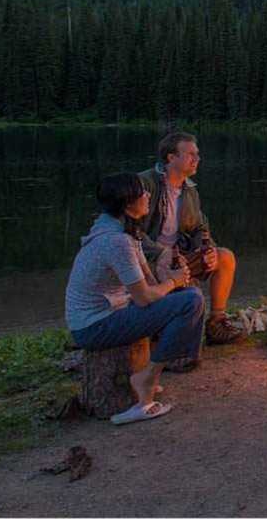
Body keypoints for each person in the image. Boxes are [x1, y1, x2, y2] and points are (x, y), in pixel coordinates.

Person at [65, 172, 204, 425]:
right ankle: (148, 378)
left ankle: (166, 362)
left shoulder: (124, 232)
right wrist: (173, 281)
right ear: (128, 203)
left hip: (111, 312)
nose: (148, 195)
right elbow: (144, 298)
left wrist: (170, 272)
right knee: (190, 301)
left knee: (189, 295)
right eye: (143, 192)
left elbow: (151, 285)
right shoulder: (116, 241)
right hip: (93, 327)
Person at [132, 131, 243, 347]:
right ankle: (160, 330)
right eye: (190, 154)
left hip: (178, 255)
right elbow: (132, 230)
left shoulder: (190, 190)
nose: (197, 159)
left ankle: (217, 322)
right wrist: (160, 252)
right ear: (171, 158)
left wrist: (208, 249)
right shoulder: (144, 184)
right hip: (149, 259)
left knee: (225, 257)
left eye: (197, 154)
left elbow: (200, 228)